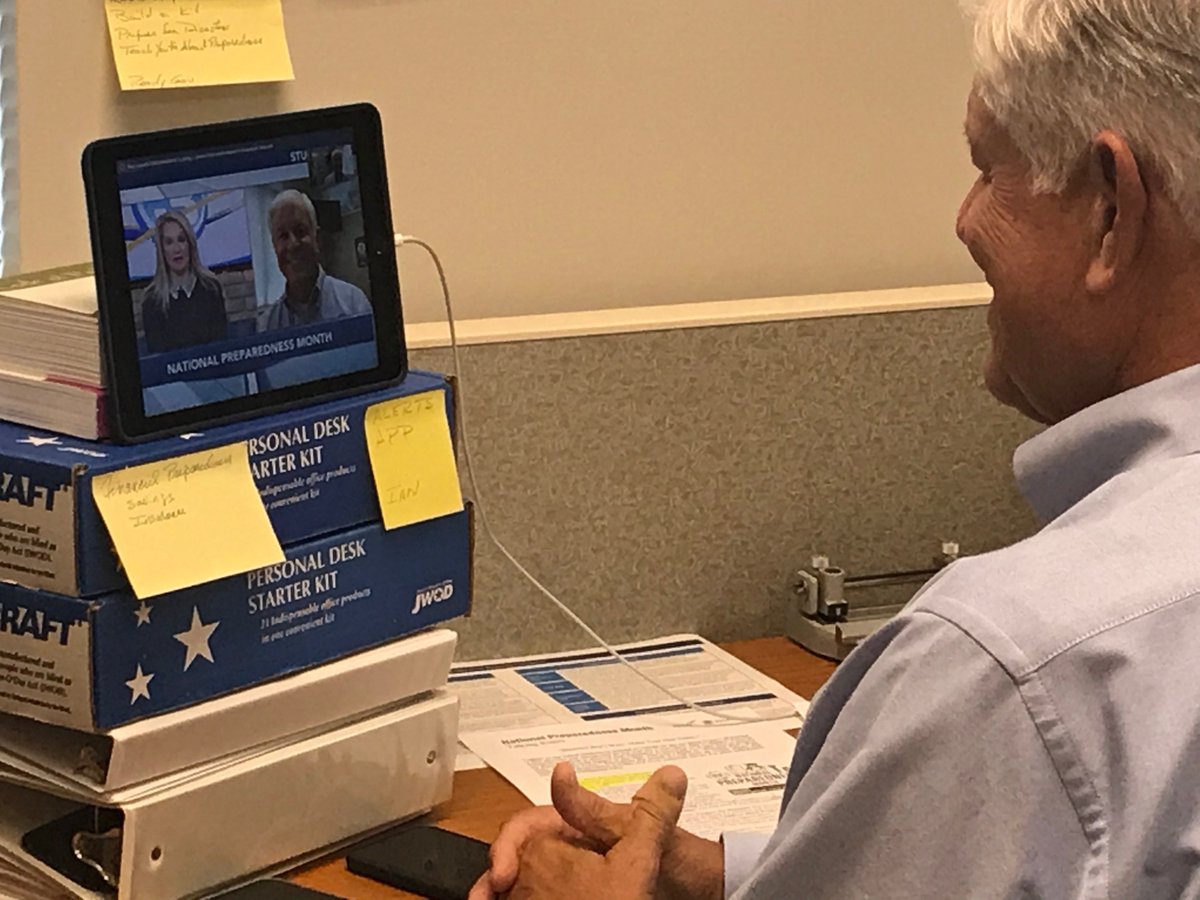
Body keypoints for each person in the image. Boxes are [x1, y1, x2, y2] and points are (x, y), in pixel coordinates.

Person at [472, 1, 1200, 897]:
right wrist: (741, 873)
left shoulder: (1016, 671)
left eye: (987, 170)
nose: (964, 221)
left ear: (1111, 211)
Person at [260, 189, 371, 329]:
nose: (293, 244)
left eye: (300, 231)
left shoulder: (353, 303)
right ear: (274, 247)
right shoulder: (268, 325)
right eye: (283, 236)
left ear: (316, 238)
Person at [140, 210, 229, 353]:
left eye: (181, 239)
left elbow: (220, 345)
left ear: (190, 244)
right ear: (162, 250)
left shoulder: (211, 287)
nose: (177, 249)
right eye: (169, 242)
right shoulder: (152, 300)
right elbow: (158, 359)